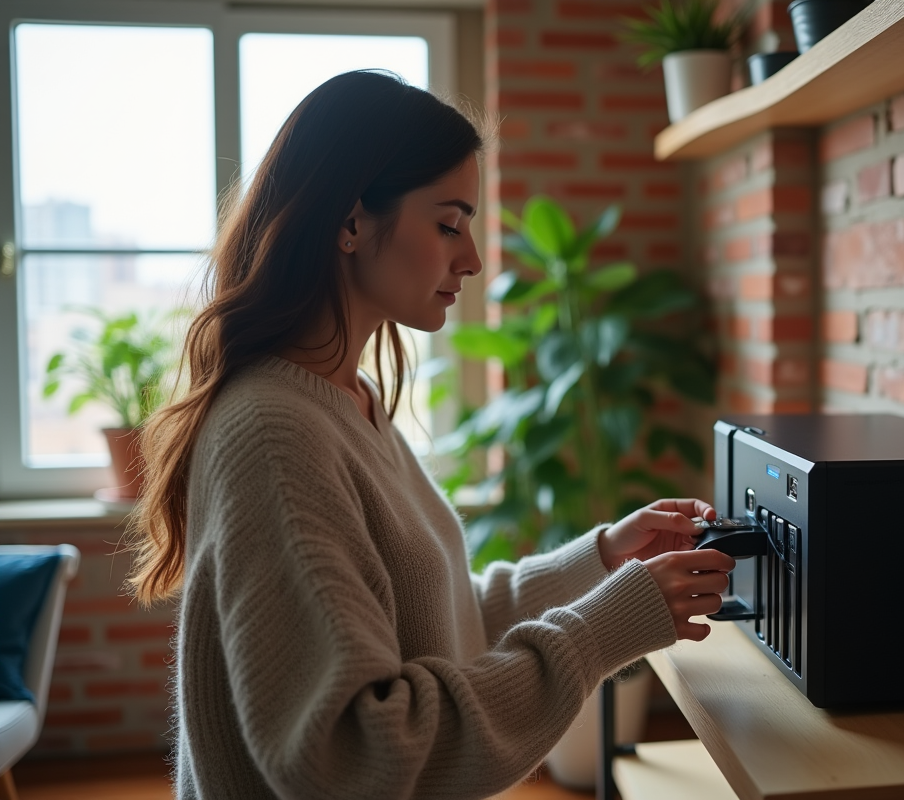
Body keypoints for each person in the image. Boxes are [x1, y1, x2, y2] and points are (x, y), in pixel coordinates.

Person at [127, 69, 735, 799]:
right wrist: (603, 628)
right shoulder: (274, 433)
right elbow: (350, 755)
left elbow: (433, 628)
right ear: (350, 223)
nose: (472, 258)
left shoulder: (350, 401)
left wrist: (601, 559)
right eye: (449, 223)